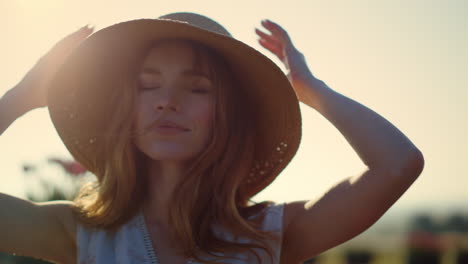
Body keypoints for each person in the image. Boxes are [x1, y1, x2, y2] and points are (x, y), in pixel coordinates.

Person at [0, 12, 424, 264]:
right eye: (148, 86)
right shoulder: (79, 233)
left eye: (198, 87)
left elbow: (398, 165)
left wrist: (313, 91)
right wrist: (20, 98)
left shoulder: (268, 235)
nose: (167, 101)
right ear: (126, 107)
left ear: (230, 116)